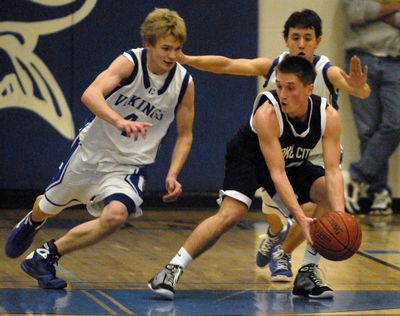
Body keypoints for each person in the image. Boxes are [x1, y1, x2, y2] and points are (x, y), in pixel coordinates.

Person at [4, 8, 195, 289]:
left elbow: (185, 136)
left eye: (178, 49)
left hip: (129, 165)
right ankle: (34, 220)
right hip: (92, 152)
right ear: (148, 44)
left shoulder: (184, 83)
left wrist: (173, 173)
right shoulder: (129, 62)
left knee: (116, 216)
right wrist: (118, 120)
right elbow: (90, 94)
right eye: (166, 48)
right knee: (48, 206)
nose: (172, 55)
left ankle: (46, 256)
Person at [174, 9, 370, 284]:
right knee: (275, 219)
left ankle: (286, 255)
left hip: (315, 152)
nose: (301, 44)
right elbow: (228, 64)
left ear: (318, 41)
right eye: (295, 38)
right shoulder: (273, 67)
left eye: (307, 38)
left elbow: (357, 90)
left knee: (317, 207)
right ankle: (275, 236)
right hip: (278, 150)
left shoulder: (328, 71)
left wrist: (360, 88)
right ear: (286, 40)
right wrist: (188, 59)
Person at [148, 55, 344, 300]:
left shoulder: (329, 116)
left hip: (288, 161)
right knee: (231, 214)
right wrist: (299, 216)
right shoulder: (268, 114)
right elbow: (276, 173)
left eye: (290, 88)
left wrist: (340, 215)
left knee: (327, 190)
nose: (282, 94)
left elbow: (334, 170)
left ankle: (307, 273)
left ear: (309, 89)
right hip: (249, 158)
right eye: (279, 86)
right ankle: (170, 270)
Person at [342, 0, 400, 216]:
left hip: (395, 60)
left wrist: (374, 11)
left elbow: (366, 12)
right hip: (361, 56)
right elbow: (356, 13)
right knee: (367, 130)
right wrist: (394, 7)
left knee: (395, 124)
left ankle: (355, 177)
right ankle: (379, 193)